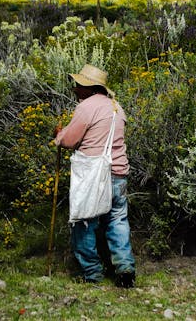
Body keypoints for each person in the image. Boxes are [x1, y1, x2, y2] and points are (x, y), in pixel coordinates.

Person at [54, 64, 136, 288]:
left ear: (88, 87)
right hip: (118, 173)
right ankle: (124, 267)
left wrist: (59, 137)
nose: (75, 88)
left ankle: (92, 273)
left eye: (78, 84)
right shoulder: (116, 107)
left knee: (84, 221)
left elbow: (70, 141)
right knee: (117, 221)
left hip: (93, 175)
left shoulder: (86, 107)